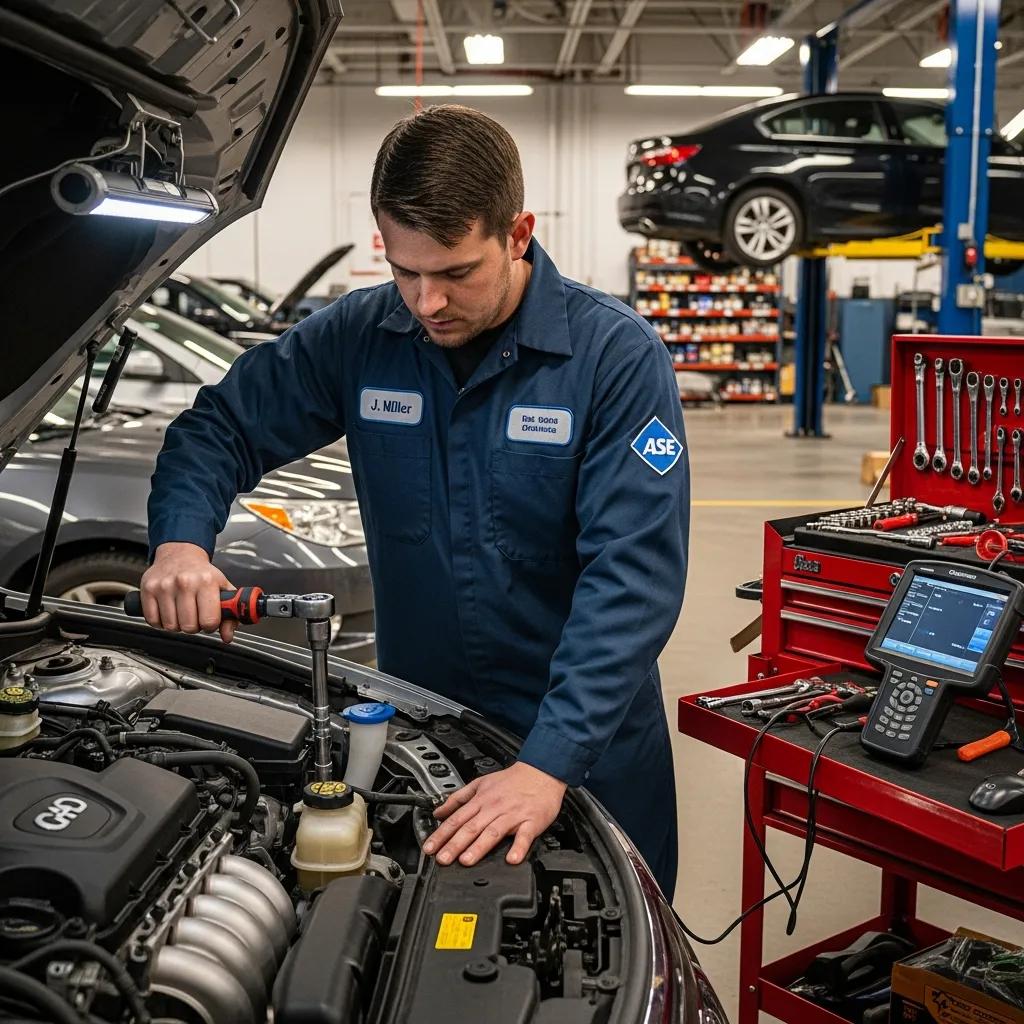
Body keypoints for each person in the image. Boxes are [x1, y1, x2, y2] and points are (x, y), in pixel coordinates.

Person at [141, 104, 689, 897]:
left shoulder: (613, 359)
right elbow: (218, 427)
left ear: (517, 233)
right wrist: (182, 543)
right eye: (404, 270)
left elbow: (632, 581)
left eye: (456, 272)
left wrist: (547, 763)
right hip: (427, 739)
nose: (426, 303)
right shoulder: (364, 336)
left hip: (586, 751)